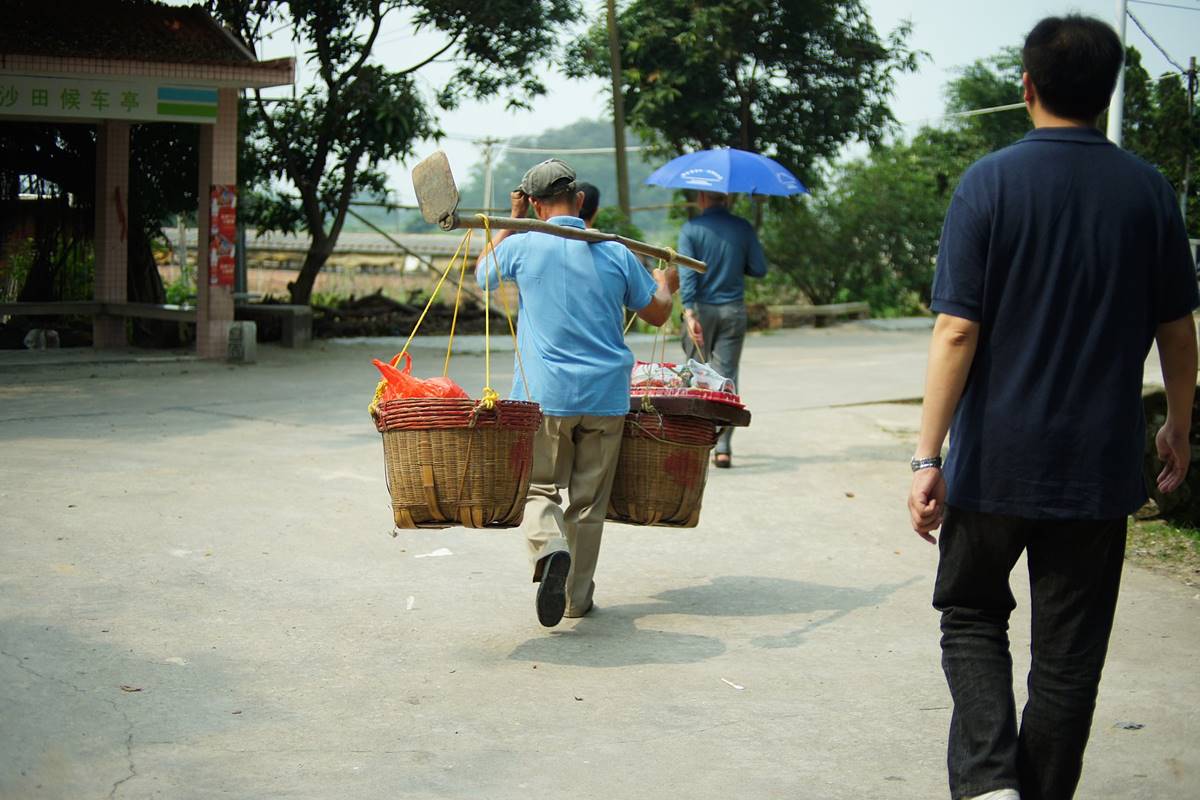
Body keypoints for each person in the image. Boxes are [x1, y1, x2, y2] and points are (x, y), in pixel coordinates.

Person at [907, 15, 1198, 800]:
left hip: (993, 462)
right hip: (1097, 470)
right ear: (1108, 93)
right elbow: (1178, 330)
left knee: (972, 614)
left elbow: (957, 330)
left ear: (1027, 86)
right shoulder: (1148, 191)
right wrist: (1178, 424)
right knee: (1069, 659)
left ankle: (989, 783)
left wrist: (927, 456)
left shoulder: (989, 183)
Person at [477, 158, 678, 628]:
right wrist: (666, 284)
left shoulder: (523, 244)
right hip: (606, 397)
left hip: (546, 396)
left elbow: (482, 273)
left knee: (538, 488)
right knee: (589, 504)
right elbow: (657, 314)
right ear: (580, 200)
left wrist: (511, 223)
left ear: (534, 204)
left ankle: (550, 548)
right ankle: (576, 599)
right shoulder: (616, 252)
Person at [677, 190, 767, 467]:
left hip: (700, 311)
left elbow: (687, 273)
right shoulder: (743, 227)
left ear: (702, 198)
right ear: (726, 199)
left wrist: (689, 312)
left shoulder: (691, 229)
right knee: (726, 376)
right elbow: (759, 268)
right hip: (732, 310)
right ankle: (723, 448)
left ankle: (691, 439)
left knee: (695, 373)